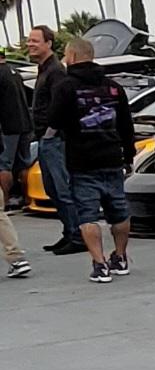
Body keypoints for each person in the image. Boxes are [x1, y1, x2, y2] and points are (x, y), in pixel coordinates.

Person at [44, 38, 136, 285]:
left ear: (72, 56)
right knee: (119, 211)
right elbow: (127, 126)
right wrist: (129, 155)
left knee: (88, 215)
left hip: (82, 160)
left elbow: (53, 119)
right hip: (112, 158)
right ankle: (120, 257)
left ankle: (100, 264)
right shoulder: (114, 87)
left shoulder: (65, 87)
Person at [25, 26, 84, 255]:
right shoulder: (43, 70)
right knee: (52, 189)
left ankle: (77, 236)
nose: (30, 44)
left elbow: (61, 106)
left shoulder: (56, 71)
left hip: (55, 140)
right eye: (29, 41)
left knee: (62, 189)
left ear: (49, 43)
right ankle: (69, 232)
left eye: (35, 41)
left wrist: (51, 132)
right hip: (44, 139)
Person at [0, 55, 32, 278]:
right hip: (22, 126)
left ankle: (8, 196)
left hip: (7, 130)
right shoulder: (14, 73)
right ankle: (16, 257)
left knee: (5, 168)